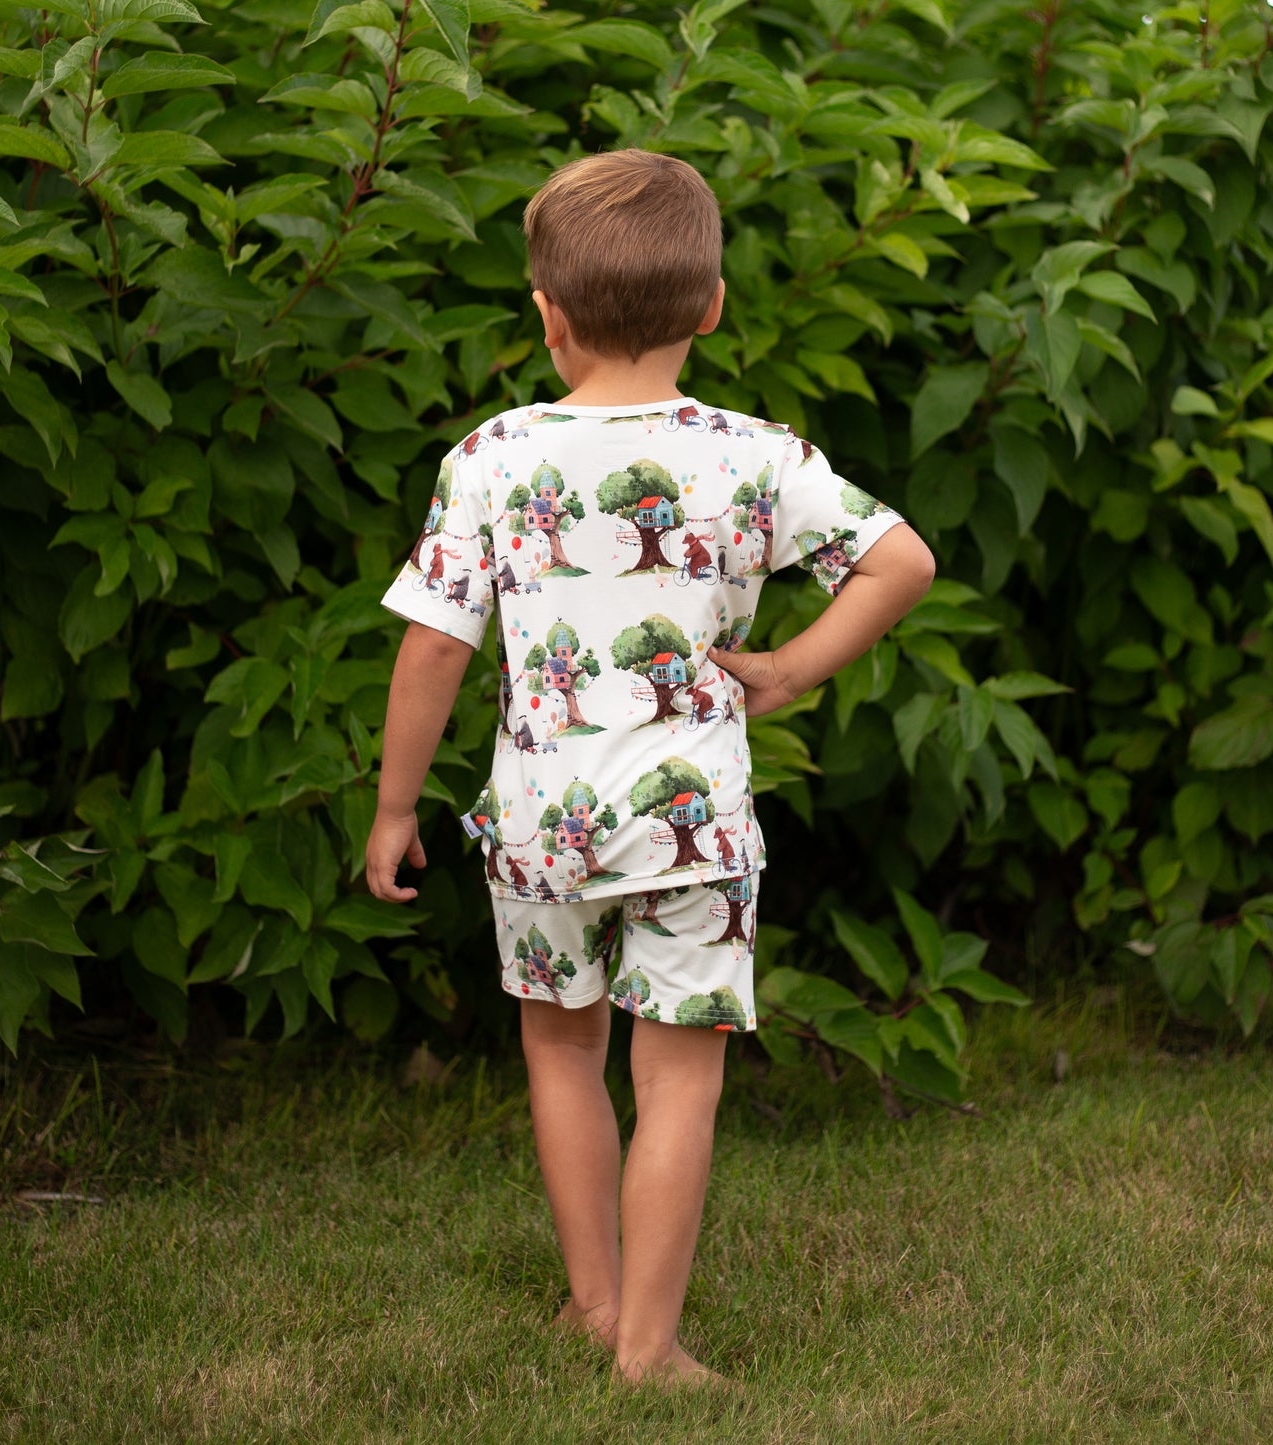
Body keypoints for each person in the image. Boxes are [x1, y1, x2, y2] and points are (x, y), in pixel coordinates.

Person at [366, 148, 936, 1389]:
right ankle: (649, 1347)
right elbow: (901, 563)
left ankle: (595, 1303)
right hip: (692, 820)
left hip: (542, 817)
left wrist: (397, 801)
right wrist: (787, 668)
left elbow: (431, 644)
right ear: (712, 305)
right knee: (675, 1077)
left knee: (560, 1047)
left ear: (548, 316)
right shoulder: (753, 455)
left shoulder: (494, 455)